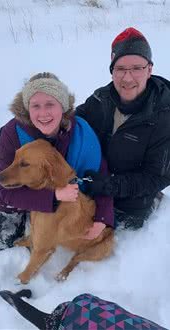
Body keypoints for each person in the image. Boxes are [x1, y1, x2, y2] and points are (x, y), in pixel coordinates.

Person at [0, 72, 114, 251]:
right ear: (27, 108)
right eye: (35, 106)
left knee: (50, 239)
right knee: (6, 245)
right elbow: (3, 190)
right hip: (19, 193)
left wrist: (103, 217)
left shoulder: (81, 133)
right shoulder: (12, 135)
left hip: (64, 196)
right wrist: (53, 197)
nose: (43, 113)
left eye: (50, 104)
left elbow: (102, 177)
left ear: (62, 106)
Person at [76, 27, 170, 230]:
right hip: (91, 189)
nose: (127, 78)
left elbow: (157, 176)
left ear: (149, 69)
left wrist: (110, 185)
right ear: (112, 71)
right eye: (120, 69)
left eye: (136, 68)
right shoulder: (100, 100)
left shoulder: (164, 115)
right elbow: (69, 123)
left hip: (131, 205)